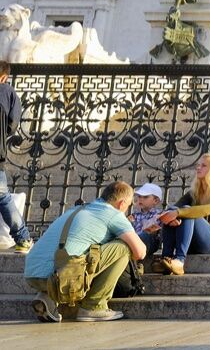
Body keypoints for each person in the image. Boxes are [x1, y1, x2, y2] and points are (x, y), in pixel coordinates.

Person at [24, 180, 146, 323]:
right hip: (61, 275)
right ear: (122, 203)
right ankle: (94, 306)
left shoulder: (76, 209)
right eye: (129, 205)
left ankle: (47, 297)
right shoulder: (113, 214)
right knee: (123, 247)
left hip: (32, 274)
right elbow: (140, 252)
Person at [158, 152, 210, 276]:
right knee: (172, 210)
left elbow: (206, 209)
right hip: (191, 242)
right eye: (198, 165)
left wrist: (179, 213)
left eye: (203, 165)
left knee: (186, 211)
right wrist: (173, 217)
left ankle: (179, 261)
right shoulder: (193, 193)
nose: (198, 168)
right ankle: (166, 258)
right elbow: (173, 209)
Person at [0, 61, 32, 253]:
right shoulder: (7, 92)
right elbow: (12, 125)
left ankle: (23, 237)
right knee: (3, 197)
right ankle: (23, 237)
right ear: (5, 76)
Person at [129, 182, 163, 256]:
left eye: (145, 197)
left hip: (149, 243)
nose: (141, 199)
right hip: (135, 242)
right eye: (139, 196)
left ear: (156, 201)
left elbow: (158, 233)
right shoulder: (134, 215)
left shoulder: (159, 215)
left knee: (145, 236)